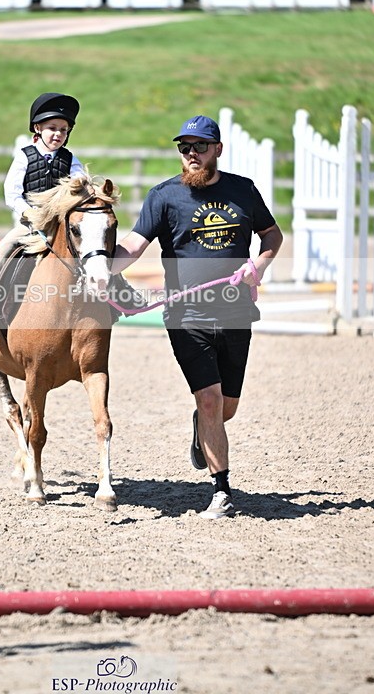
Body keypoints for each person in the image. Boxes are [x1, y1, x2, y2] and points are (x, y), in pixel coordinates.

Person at [112, 114, 283, 519]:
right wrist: (101, 268)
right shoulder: (164, 196)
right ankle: (222, 490)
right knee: (208, 400)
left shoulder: (243, 190)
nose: (191, 154)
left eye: (200, 147)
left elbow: (272, 235)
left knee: (226, 407)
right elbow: (134, 245)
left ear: (217, 150)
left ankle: (202, 426)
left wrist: (259, 264)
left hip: (237, 310)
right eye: (184, 147)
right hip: (185, 313)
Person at [0, 92, 85, 320]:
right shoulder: (24, 157)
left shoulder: (70, 159)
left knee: (95, 244)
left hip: (60, 224)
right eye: (52, 128)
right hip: (32, 223)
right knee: (5, 245)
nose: (58, 133)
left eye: (63, 129)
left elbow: (80, 180)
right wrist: (26, 212)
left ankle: (118, 289)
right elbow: (12, 192)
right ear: (38, 128)